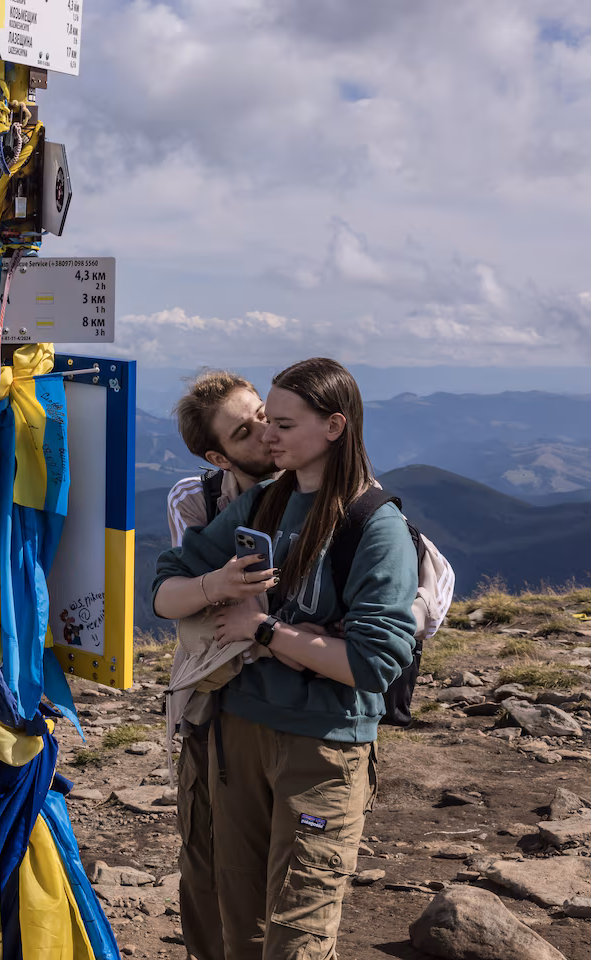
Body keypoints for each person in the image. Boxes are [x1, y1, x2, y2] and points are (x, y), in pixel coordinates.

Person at [153, 358, 417, 960]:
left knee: (296, 934)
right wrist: (220, 586)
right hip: (237, 731)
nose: (269, 435)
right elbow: (167, 583)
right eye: (263, 422)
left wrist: (264, 630)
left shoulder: (375, 527)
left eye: (282, 423)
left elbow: (375, 665)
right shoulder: (264, 505)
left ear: (334, 427)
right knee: (238, 922)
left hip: (321, 747)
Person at [164, 370, 276, 960]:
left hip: (296, 706)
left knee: (280, 862)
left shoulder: (328, 486)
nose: (265, 430)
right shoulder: (196, 497)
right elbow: (198, 600)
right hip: (215, 702)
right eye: (244, 429)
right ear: (217, 454)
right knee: (204, 856)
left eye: (262, 412)